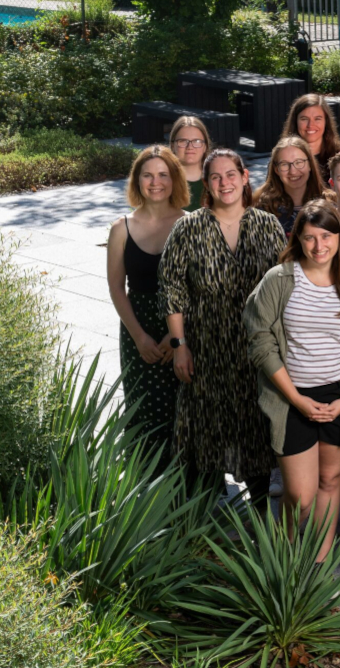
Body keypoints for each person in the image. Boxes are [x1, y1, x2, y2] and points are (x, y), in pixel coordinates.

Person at [244, 199, 340, 562]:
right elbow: (260, 341)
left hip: (338, 395)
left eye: (326, 236)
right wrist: (297, 399)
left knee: (331, 480)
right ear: (298, 240)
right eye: (309, 238)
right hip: (291, 396)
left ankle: (319, 568)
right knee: (300, 495)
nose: (319, 246)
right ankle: (284, 554)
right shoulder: (280, 279)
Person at [159, 149, 285, 497]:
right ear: (207, 183)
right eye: (215, 177)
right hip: (205, 351)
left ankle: (261, 529)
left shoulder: (267, 225)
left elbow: (284, 285)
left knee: (257, 436)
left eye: (230, 175)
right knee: (204, 439)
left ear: (245, 177)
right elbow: (171, 289)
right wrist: (179, 345)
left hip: (256, 352)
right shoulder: (188, 228)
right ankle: (199, 526)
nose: (224, 183)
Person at [107, 146, 187, 466]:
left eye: (163, 174)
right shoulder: (120, 228)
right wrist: (139, 337)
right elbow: (116, 287)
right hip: (137, 329)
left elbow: (199, 289)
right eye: (148, 175)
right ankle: (148, 492)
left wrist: (175, 337)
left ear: (175, 179)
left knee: (182, 408)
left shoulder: (190, 223)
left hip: (183, 329)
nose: (156, 182)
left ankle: (190, 496)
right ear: (137, 180)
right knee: (144, 408)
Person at [254, 136, 335, 237]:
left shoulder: (331, 204)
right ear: (276, 169)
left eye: (299, 162)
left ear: (310, 164)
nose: (293, 171)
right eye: (284, 164)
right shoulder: (263, 210)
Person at [282, 94, 340, 184]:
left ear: (326, 122)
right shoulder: (283, 157)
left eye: (317, 119)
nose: (310, 125)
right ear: (295, 122)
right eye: (304, 119)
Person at [168, 116, 211, 211]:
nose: (190, 147)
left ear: (205, 146)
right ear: (172, 146)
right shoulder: (164, 182)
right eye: (183, 141)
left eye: (197, 141)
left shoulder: (216, 181)